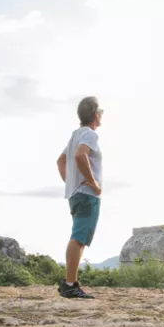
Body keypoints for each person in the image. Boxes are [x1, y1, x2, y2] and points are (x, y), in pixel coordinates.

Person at [55, 96, 104, 299]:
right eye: (100, 111)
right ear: (95, 114)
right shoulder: (89, 134)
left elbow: (61, 161)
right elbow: (79, 155)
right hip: (86, 194)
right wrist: (93, 183)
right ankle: (69, 285)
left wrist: (71, 183)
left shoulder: (75, 135)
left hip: (76, 194)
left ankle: (71, 282)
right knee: (78, 238)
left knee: (79, 237)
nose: (101, 115)